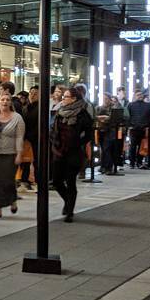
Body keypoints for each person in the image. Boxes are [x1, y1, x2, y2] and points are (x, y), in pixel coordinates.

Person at [49, 86, 94, 222]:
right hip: (59, 150)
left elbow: (89, 132)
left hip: (74, 152)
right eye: (64, 96)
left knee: (70, 181)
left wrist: (78, 141)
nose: (63, 99)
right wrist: (54, 140)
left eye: (66, 97)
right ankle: (68, 200)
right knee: (56, 181)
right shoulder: (59, 112)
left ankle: (70, 211)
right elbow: (53, 128)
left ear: (74, 99)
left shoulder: (82, 113)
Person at [127, 89, 150, 169]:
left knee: (141, 146)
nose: (140, 96)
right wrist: (129, 125)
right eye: (138, 94)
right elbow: (128, 116)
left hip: (143, 129)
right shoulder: (131, 105)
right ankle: (132, 162)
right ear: (135, 96)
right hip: (134, 128)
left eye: (141, 94)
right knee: (132, 146)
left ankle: (139, 162)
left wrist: (147, 125)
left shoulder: (147, 105)